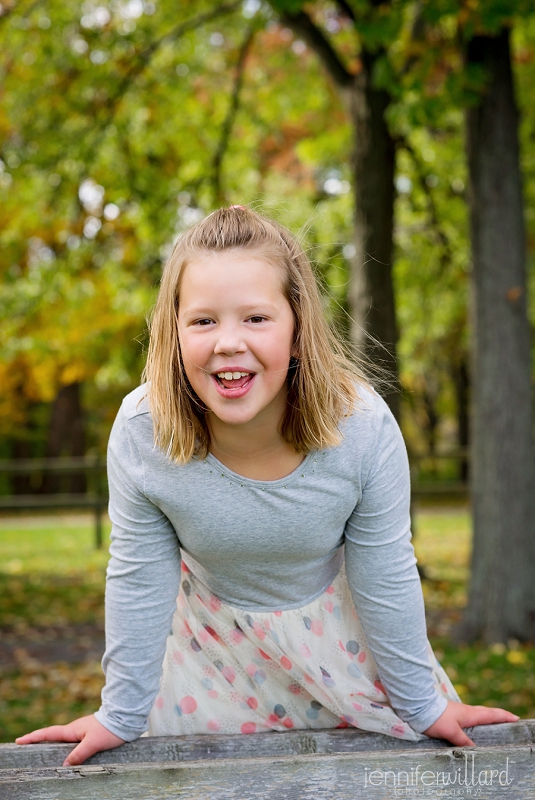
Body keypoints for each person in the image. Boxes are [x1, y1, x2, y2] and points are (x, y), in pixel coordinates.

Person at [16, 206, 517, 765]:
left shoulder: (361, 428)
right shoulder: (144, 433)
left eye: (256, 318)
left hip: (342, 649)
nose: (228, 342)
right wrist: (120, 713)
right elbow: (137, 576)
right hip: (208, 657)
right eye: (203, 321)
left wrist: (423, 705)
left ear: (299, 329)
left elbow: (386, 571)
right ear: (173, 332)